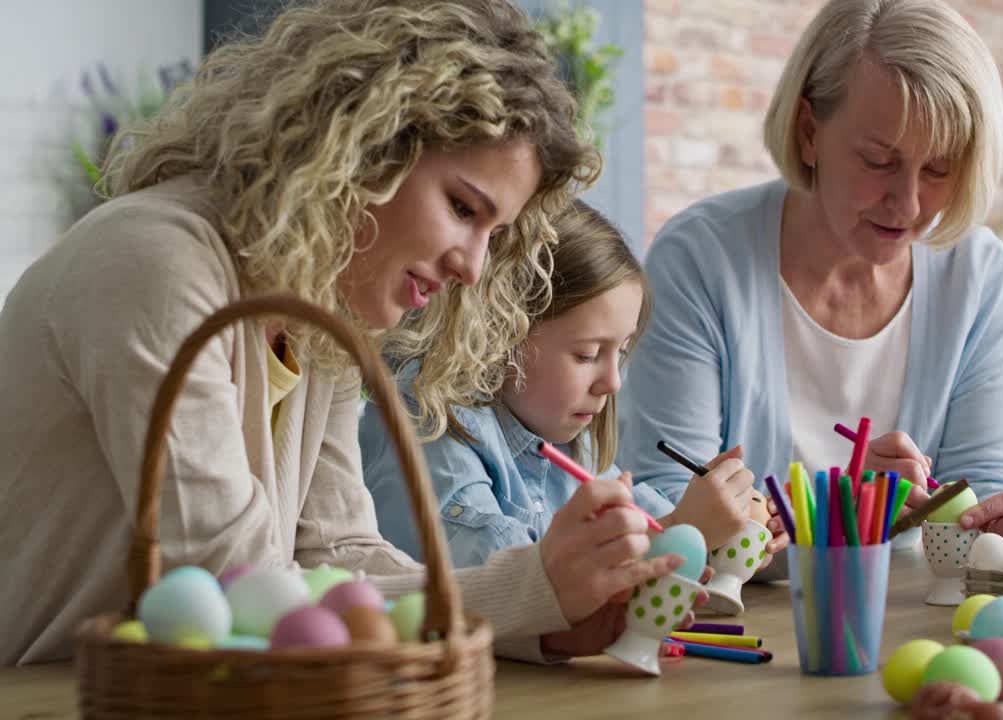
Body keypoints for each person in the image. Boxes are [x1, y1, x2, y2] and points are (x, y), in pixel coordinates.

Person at [0, 0, 680, 665]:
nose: (473, 268)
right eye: (461, 207)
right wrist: (531, 592)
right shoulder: (154, 261)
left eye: (494, 234)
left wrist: (546, 622)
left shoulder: (320, 309)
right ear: (358, 147)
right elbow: (237, 586)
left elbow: (340, 556)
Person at [618, 0, 1003, 551]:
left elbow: (984, 486)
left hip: (911, 616)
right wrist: (841, 511)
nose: (909, 204)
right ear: (807, 132)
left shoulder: (978, 275)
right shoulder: (702, 259)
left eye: (939, 168)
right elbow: (670, 507)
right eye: (878, 161)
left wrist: (997, 524)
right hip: (733, 628)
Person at [361, 200, 789, 569]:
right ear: (498, 335)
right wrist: (682, 535)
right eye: (587, 355)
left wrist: (728, 530)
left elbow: (642, 516)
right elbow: (501, 573)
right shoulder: (430, 416)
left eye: (620, 353)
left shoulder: (567, 441)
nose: (612, 382)